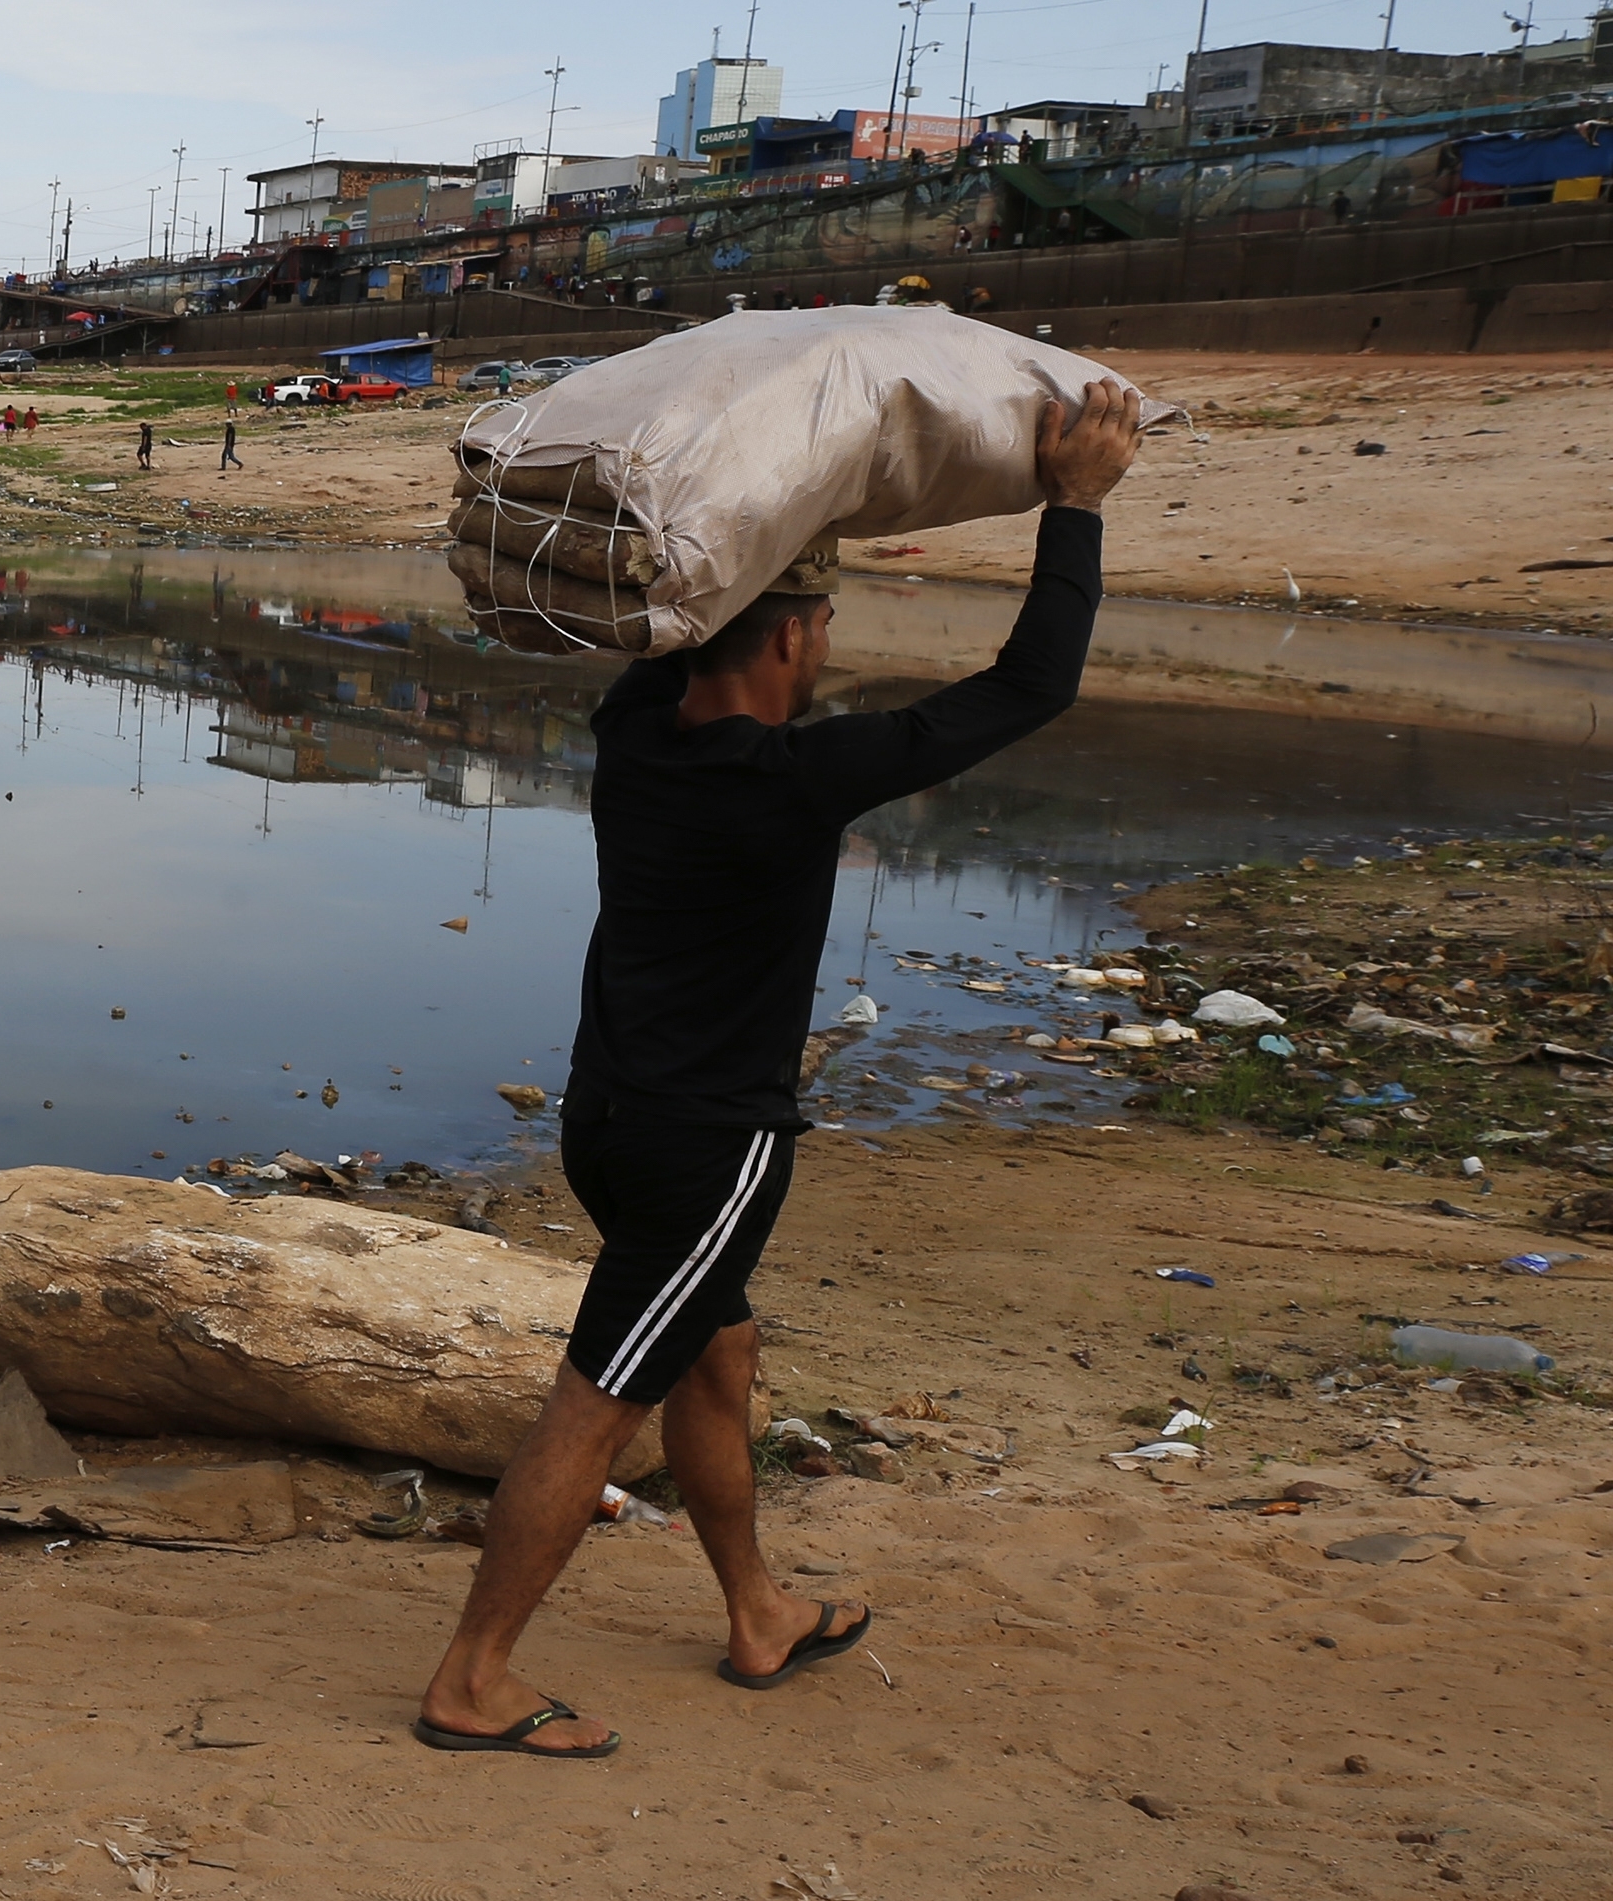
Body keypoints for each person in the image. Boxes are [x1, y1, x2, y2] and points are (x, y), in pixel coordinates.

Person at [413, 378, 1143, 1758]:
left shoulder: (635, 739)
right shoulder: (795, 776)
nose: (826, 648)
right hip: (709, 1146)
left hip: (609, 1117)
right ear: (797, 638)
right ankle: (472, 1672)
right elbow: (1030, 687)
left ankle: (758, 1608)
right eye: (821, 627)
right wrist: (1076, 506)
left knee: (716, 1352)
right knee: (598, 1397)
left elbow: (657, 632)